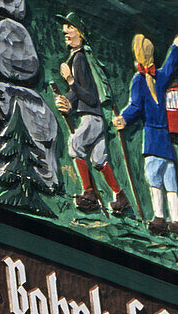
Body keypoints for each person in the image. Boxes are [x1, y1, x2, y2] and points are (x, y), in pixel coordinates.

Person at [113, 32, 178, 236]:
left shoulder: (140, 79)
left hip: (152, 140)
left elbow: (135, 106)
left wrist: (124, 119)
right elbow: (171, 66)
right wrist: (176, 47)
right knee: (170, 182)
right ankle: (176, 221)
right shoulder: (160, 76)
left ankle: (159, 218)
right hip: (165, 140)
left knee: (154, 180)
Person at [54, 12, 130, 214]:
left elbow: (89, 97)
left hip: (91, 117)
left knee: (75, 145)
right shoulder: (77, 57)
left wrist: (70, 80)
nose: (66, 33)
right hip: (97, 119)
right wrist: (67, 100)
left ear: (80, 32)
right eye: (65, 30)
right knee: (98, 160)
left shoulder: (79, 59)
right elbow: (78, 92)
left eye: (70, 29)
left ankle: (89, 194)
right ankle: (121, 197)